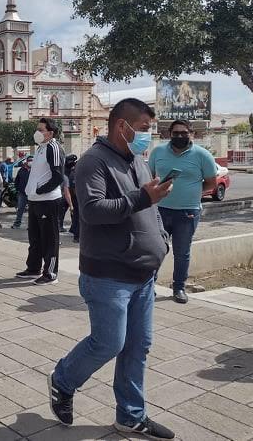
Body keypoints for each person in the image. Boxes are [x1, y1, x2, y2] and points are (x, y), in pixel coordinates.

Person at [48, 98, 174, 440]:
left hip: (142, 275)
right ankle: (62, 380)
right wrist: (143, 198)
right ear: (123, 126)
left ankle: (131, 416)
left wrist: (160, 239)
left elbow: (150, 208)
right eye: (145, 129)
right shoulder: (93, 161)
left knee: (138, 346)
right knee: (109, 343)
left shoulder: (138, 160)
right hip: (108, 276)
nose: (148, 136)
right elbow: (92, 211)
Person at [148, 119, 217, 304]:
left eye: (184, 133)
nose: (180, 136)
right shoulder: (158, 152)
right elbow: (150, 177)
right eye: (176, 133)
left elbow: (211, 183)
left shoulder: (202, 155)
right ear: (169, 134)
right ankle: (148, 286)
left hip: (188, 212)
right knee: (156, 249)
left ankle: (179, 287)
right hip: (160, 209)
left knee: (182, 252)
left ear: (191, 134)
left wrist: (192, 193)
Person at [16, 118, 65, 285]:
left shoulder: (54, 147)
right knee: (35, 238)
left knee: (49, 239)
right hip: (35, 200)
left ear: (50, 133)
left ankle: (50, 273)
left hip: (48, 200)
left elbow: (58, 175)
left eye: (41, 129)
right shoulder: (40, 148)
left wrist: (41, 189)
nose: (37, 132)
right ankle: (33, 268)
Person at [12, 157, 31, 229]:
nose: (30, 162)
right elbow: (17, 180)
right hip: (22, 193)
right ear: (26, 162)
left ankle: (31, 225)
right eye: (29, 161)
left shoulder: (35, 170)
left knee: (31, 210)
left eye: (32, 161)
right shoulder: (21, 170)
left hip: (32, 194)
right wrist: (18, 189)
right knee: (20, 209)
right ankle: (17, 224)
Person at [64, 154, 79, 242]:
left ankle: (73, 230)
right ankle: (76, 236)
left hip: (73, 198)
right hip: (74, 198)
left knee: (75, 216)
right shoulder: (73, 173)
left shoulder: (70, 172)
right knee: (77, 217)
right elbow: (73, 189)